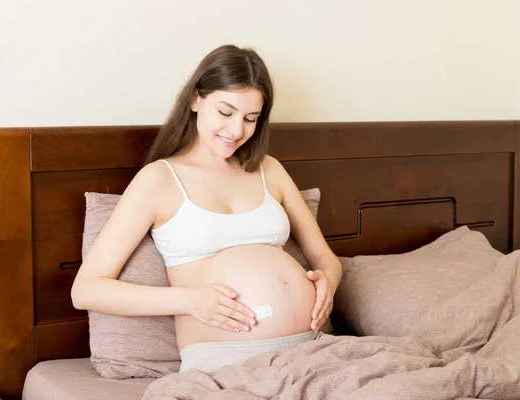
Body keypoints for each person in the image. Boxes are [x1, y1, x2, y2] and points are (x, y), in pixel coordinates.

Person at [71, 44, 342, 373]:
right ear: (195, 99)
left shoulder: (269, 170)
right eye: (225, 113)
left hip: (311, 350)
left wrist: (328, 281)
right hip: (227, 363)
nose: (236, 131)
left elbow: (324, 257)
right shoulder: (159, 180)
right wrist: (190, 299)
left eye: (250, 118)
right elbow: (86, 289)